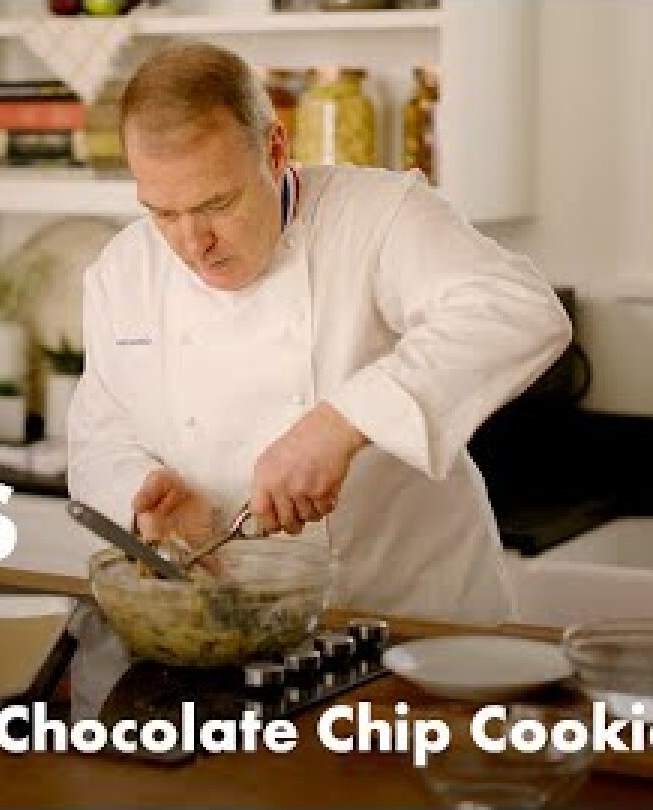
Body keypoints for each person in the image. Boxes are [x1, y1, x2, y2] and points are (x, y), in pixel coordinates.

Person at [67, 40, 571, 621]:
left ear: (276, 149)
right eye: (162, 211)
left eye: (218, 202)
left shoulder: (379, 215)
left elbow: (519, 310)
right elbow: (99, 436)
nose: (191, 242)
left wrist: (343, 421)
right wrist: (143, 495)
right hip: (224, 619)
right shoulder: (121, 270)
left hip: (408, 620)